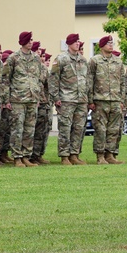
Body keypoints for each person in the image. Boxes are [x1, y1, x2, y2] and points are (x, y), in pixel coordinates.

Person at [49, 33, 91, 165]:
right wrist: (56, 97)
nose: (78, 44)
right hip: (66, 98)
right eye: (75, 42)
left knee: (79, 128)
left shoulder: (83, 60)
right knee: (65, 128)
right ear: (69, 44)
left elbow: (87, 80)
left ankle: (74, 154)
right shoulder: (61, 59)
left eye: (79, 42)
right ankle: (64, 156)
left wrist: (88, 98)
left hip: (81, 99)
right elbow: (53, 79)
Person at [3, 34, 42, 167]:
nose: (31, 42)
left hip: (32, 98)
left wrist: (38, 96)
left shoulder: (36, 58)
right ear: (23, 42)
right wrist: (6, 99)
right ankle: (17, 157)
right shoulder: (13, 58)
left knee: (29, 129)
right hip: (17, 99)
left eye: (32, 40)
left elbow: (38, 78)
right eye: (29, 40)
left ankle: (26, 156)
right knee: (17, 129)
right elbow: (6, 78)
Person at [88, 36, 126, 164]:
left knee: (113, 129)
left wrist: (122, 101)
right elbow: (90, 81)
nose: (111, 45)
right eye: (108, 43)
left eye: (112, 43)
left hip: (115, 100)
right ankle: (100, 156)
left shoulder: (118, 62)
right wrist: (90, 100)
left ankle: (110, 154)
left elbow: (122, 82)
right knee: (100, 129)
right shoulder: (95, 61)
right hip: (100, 100)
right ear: (102, 45)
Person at [30, 52, 53, 165]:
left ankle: (37, 154)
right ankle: (29, 155)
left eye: (43, 56)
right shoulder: (32, 66)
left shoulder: (43, 68)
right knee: (30, 130)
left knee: (42, 131)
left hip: (44, 102)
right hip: (33, 101)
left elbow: (48, 86)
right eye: (40, 55)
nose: (42, 58)